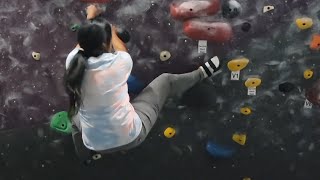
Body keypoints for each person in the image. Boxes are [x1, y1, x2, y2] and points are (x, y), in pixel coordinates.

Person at [64, 5, 221, 153]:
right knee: (165, 81)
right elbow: (121, 49)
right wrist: (110, 30)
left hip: (94, 145)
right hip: (130, 138)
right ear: (106, 42)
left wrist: (91, 18)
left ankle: (85, 156)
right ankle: (201, 73)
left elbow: (84, 42)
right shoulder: (119, 62)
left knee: (74, 116)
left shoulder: (72, 61)